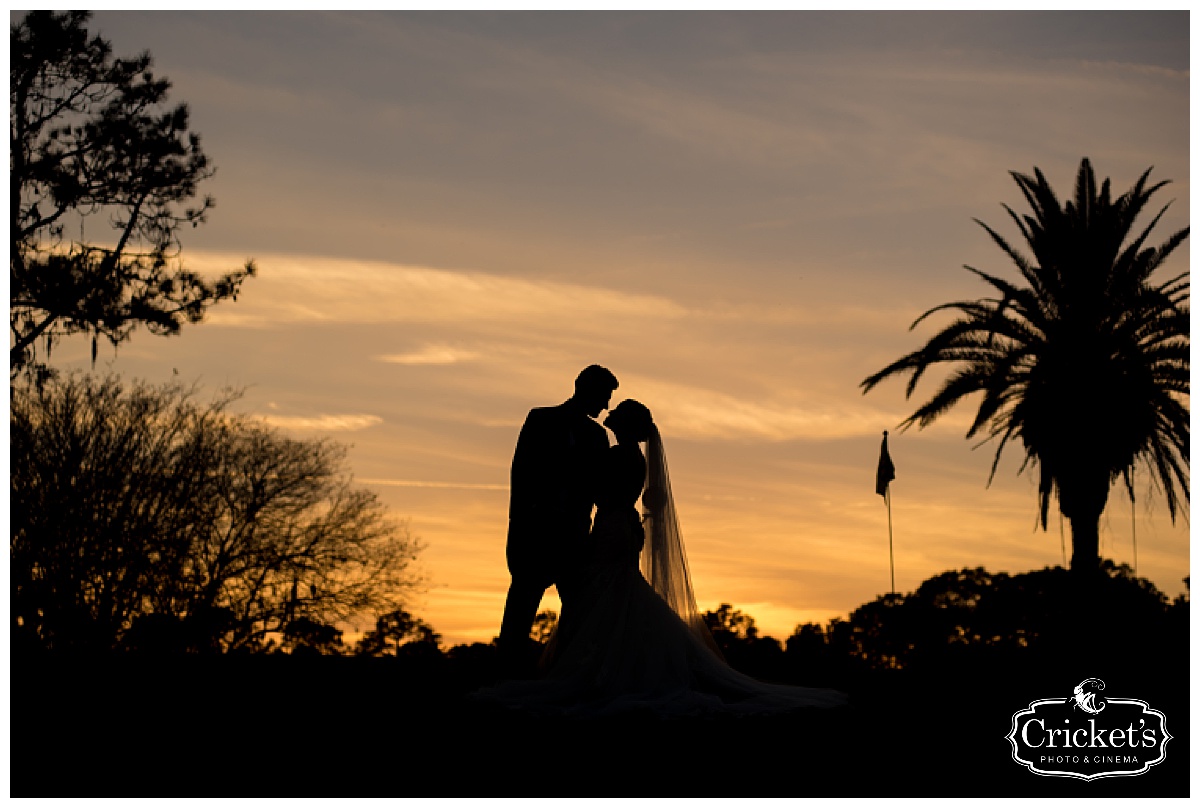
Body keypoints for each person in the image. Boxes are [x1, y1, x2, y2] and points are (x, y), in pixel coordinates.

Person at [480, 399, 847, 716]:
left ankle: (601, 670)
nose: (610, 413)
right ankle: (610, 664)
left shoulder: (620, 454)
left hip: (611, 528)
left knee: (605, 594)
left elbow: (592, 485)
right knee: (614, 595)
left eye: (618, 414)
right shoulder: (631, 456)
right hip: (619, 526)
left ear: (626, 426)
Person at [497, 364, 619, 674]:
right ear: (583, 387)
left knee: (578, 614)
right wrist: (519, 528)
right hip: (534, 535)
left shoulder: (598, 436)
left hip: (575, 539)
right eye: (604, 396)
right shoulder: (540, 419)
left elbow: (599, 487)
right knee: (520, 611)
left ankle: (569, 676)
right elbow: (520, 475)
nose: (605, 406)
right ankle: (505, 675)